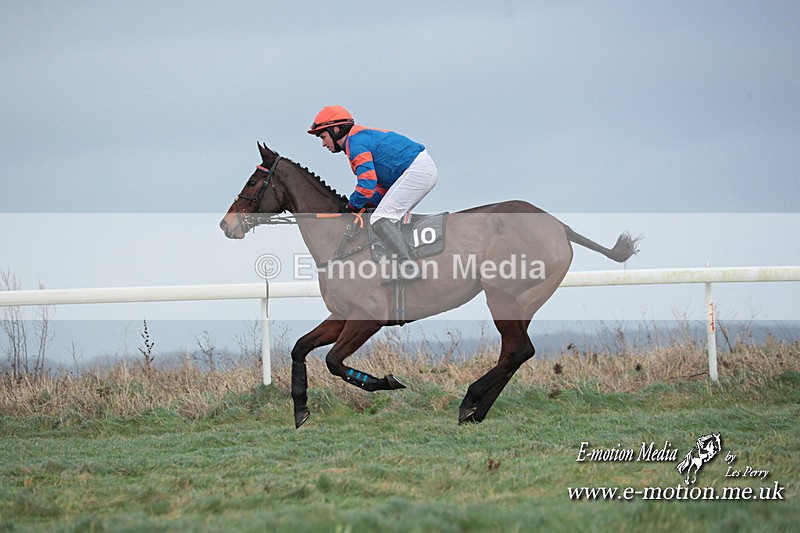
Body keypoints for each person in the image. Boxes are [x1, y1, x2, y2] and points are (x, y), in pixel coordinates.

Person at [307, 105, 437, 280]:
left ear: (336, 130)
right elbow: (382, 184)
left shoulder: (355, 143)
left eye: (323, 137)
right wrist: (366, 204)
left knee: (380, 218)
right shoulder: (357, 139)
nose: (323, 144)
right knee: (380, 214)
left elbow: (367, 183)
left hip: (417, 171)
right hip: (416, 170)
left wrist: (352, 206)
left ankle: (409, 267)